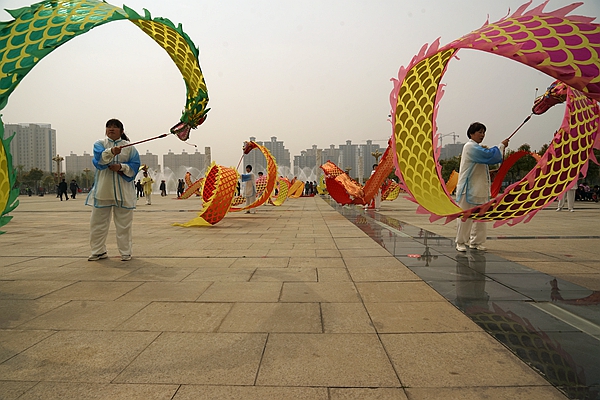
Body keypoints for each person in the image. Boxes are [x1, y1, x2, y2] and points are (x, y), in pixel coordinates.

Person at [86, 118, 140, 262]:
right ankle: (98, 251)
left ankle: (126, 252)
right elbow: (99, 160)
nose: (111, 129)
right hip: (103, 190)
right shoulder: (100, 144)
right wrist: (111, 152)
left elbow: (135, 166)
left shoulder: (130, 147)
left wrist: (121, 167)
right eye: (109, 126)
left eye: (115, 127)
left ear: (121, 131)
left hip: (123, 191)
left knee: (124, 224)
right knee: (98, 223)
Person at [455, 122, 509, 252]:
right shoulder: (470, 147)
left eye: (484, 132)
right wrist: (501, 146)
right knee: (465, 217)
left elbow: (479, 166)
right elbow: (490, 155)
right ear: (471, 133)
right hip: (467, 189)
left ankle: (476, 242)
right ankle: (461, 242)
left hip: (480, 189)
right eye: (480, 132)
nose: (482, 135)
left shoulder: (477, 148)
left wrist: (490, 172)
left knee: (481, 217)